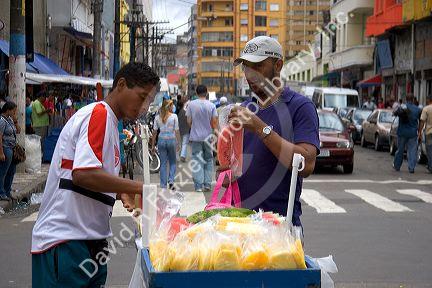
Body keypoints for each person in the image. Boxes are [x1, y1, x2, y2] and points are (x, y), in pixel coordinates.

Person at [31, 62, 160, 287]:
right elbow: (84, 174)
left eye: (149, 101)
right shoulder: (98, 114)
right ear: (121, 85)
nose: (144, 107)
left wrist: (120, 191)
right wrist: (138, 188)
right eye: (141, 97)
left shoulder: (112, 124)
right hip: (67, 241)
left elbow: (93, 176)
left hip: (91, 241)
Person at [228, 36, 319, 229]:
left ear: (278, 65)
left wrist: (260, 128)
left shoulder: (300, 106)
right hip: (240, 225)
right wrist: (227, 171)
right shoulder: (244, 109)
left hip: (281, 228)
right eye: (245, 66)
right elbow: (237, 164)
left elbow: (307, 164)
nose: (250, 74)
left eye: (258, 66)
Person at [186, 85, 218, 192]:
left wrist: (194, 128)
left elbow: (189, 121)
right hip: (208, 137)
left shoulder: (191, 105)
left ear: (196, 92)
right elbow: (214, 123)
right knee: (209, 159)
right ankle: (208, 184)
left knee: (197, 160)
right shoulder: (212, 105)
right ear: (207, 92)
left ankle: (198, 186)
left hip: (195, 137)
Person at [151, 100, 180, 189]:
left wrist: (152, 145)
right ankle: (171, 180)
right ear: (169, 107)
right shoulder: (174, 116)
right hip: (171, 139)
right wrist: (178, 143)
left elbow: (154, 132)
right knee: (172, 162)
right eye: (172, 106)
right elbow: (176, 131)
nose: (173, 107)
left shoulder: (157, 118)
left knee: (163, 163)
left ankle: (163, 185)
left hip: (161, 140)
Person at [393, 93, 422, 173]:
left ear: (406, 99)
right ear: (413, 99)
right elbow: (421, 121)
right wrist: (419, 131)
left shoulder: (401, 107)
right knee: (412, 151)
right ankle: (411, 168)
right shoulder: (418, 109)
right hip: (412, 133)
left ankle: (397, 166)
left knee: (400, 150)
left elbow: (395, 113)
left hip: (402, 132)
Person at [0, 102, 19, 201]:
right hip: (5, 148)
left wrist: (16, 121)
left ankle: (7, 191)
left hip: (12, 148)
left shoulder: (10, 119)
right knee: (3, 171)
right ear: (8, 110)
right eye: (13, 111)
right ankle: (1, 192)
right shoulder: (2, 121)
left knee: (11, 171)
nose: (14, 112)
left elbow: (18, 130)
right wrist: (1, 152)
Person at [418, 94, 432, 173]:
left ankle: (431, 167)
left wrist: (419, 132)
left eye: (426, 99)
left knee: (429, 149)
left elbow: (422, 121)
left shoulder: (426, 109)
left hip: (429, 132)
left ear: (429, 100)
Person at [177, 96, 190, 162]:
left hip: (179, 129)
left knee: (181, 143)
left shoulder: (179, 111)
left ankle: (181, 154)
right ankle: (182, 155)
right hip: (186, 129)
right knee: (184, 143)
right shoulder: (186, 112)